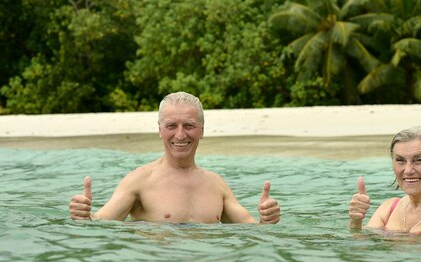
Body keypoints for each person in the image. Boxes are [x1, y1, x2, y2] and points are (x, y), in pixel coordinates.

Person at [69, 92, 280, 224]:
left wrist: (267, 220)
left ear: (202, 131)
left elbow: (252, 230)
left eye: (189, 126)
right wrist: (84, 216)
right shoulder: (139, 181)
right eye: (171, 126)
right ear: (160, 130)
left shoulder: (216, 185)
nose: (180, 135)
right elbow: (100, 222)